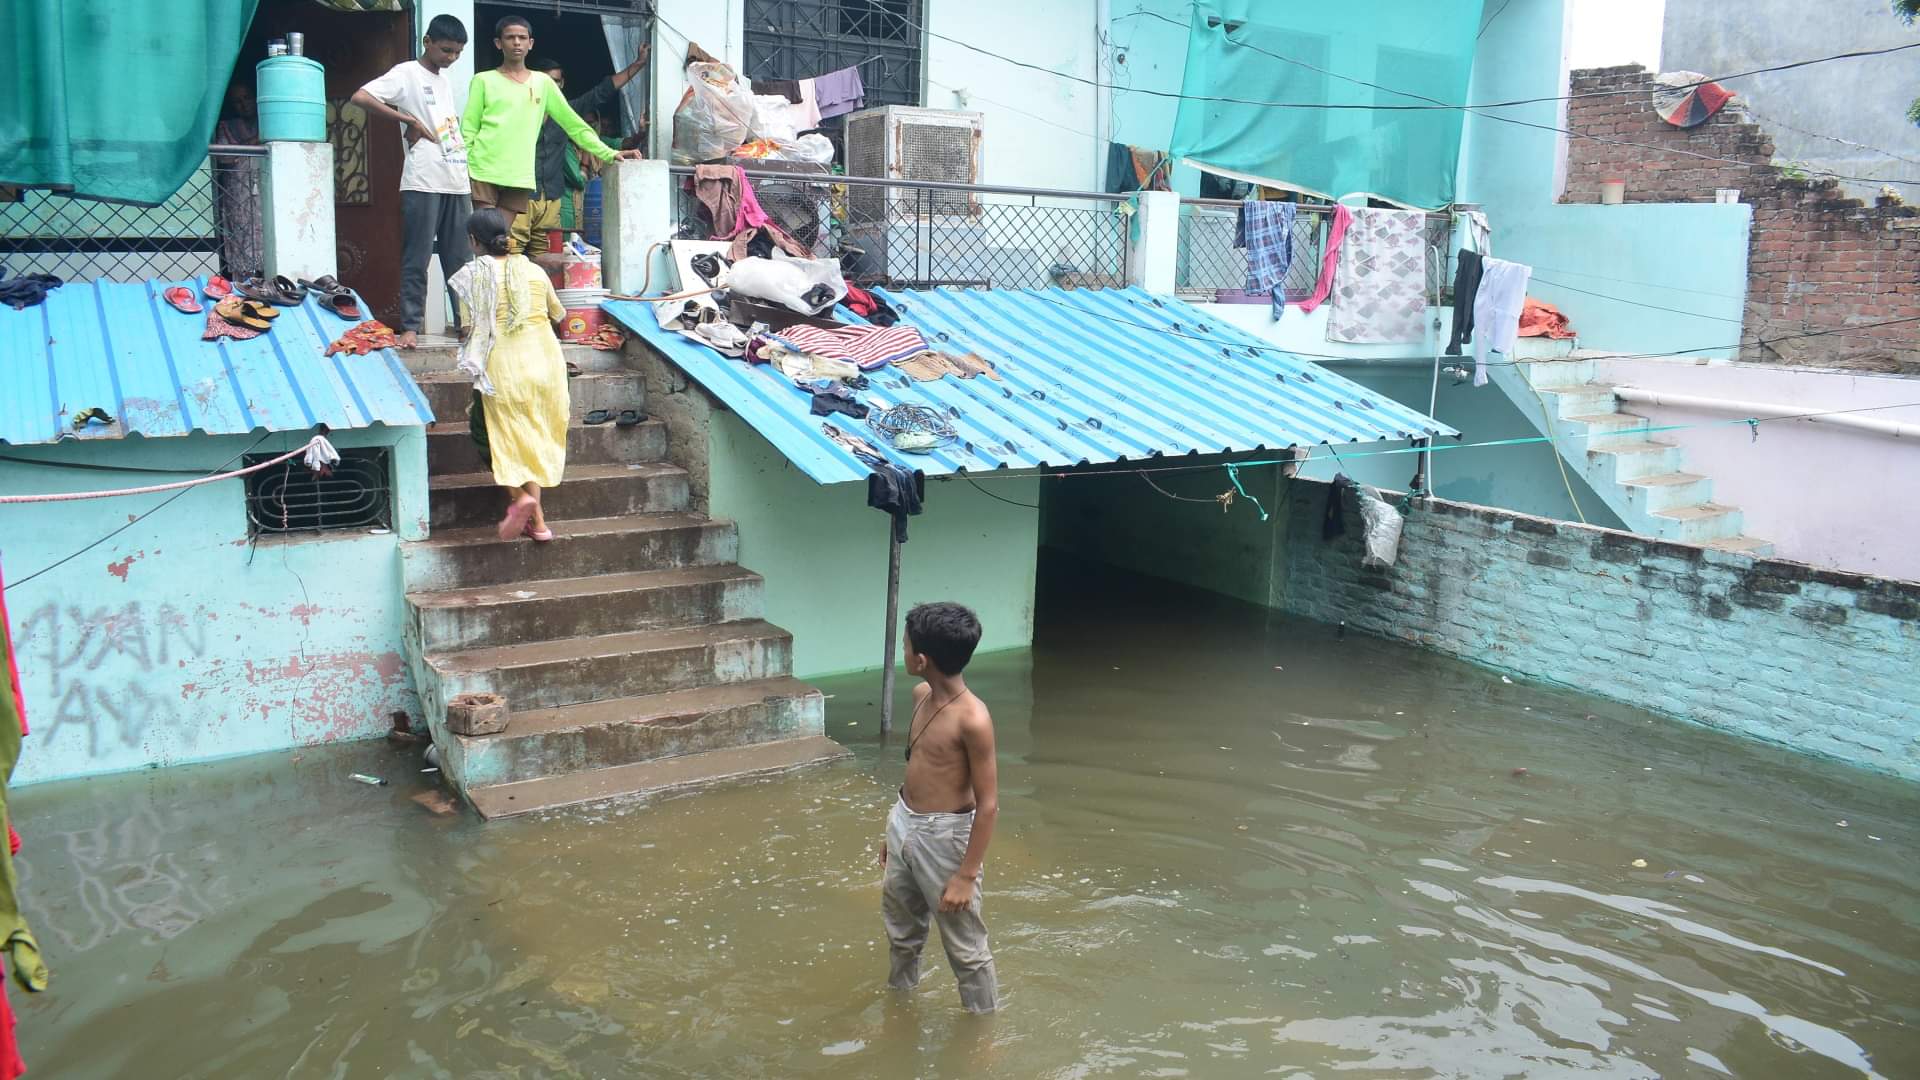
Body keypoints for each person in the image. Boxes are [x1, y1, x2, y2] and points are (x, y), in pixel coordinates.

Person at [880, 602, 1000, 1014]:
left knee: (966, 949)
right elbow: (917, 767)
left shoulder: (973, 720)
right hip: (905, 823)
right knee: (901, 932)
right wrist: (895, 832)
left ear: (921, 660)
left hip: (946, 838)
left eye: (905, 645)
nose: (903, 650)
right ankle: (900, 1005)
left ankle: (983, 1029)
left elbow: (988, 805)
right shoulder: (921, 695)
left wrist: (966, 876)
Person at [446, 210, 569, 543]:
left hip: (504, 367)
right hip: (545, 363)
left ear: (473, 241)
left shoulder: (471, 275)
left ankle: (520, 497)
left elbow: (470, 329)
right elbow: (558, 313)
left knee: (488, 434)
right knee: (531, 437)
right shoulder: (533, 269)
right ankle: (538, 524)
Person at [351, 14, 472, 350]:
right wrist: (407, 119)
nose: (451, 57)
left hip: (456, 177)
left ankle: (465, 323)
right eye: (446, 50)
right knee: (417, 257)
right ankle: (410, 327)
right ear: (427, 42)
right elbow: (361, 97)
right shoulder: (406, 73)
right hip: (422, 179)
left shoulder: (445, 79)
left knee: (461, 259)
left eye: (457, 53)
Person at [461, 16, 640, 220]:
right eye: (510, 37)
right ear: (498, 43)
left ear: (531, 43)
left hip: (519, 175)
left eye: (522, 37)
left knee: (500, 235)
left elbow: (573, 124)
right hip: (482, 169)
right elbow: (469, 128)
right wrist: (465, 166)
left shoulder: (543, 83)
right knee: (485, 231)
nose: (517, 42)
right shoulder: (483, 80)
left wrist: (609, 153)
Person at [511, 48, 649, 254]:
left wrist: (638, 64)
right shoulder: (516, 110)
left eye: (557, 81)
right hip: (519, 193)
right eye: (547, 81)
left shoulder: (566, 113)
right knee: (511, 252)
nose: (553, 86)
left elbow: (600, 93)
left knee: (545, 256)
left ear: (562, 84)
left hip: (550, 197)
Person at [212, 82, 264, 284]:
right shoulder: (227, 126)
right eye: (237, 101)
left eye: (247, 98)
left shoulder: (268, 122)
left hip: (264, 192)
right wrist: (255, 142)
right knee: (242, 236)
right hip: (238, 195)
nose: (244, 104)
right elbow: (223, 157)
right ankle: (245, 286)